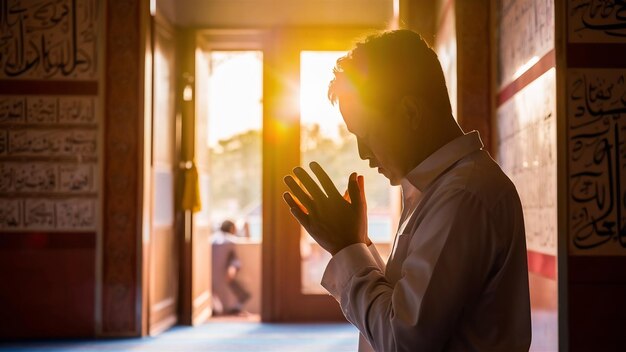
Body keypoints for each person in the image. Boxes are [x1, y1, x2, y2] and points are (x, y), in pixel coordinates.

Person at [283, 30, 531, 351]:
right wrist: (357, 245)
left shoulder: (463, 196)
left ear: (410, 113)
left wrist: (346, 247)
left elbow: (403, 340)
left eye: (367, 134)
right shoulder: (437, 188)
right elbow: (403, 308)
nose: (362, 152)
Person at [211, 220, 251, 315]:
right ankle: (233, 309)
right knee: (242, 294)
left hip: (213, 276)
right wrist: (232, 268)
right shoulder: (230, 241)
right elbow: (234, 259)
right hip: (224, 275)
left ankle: (229, 308)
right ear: (231, 229)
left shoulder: (212, 239)